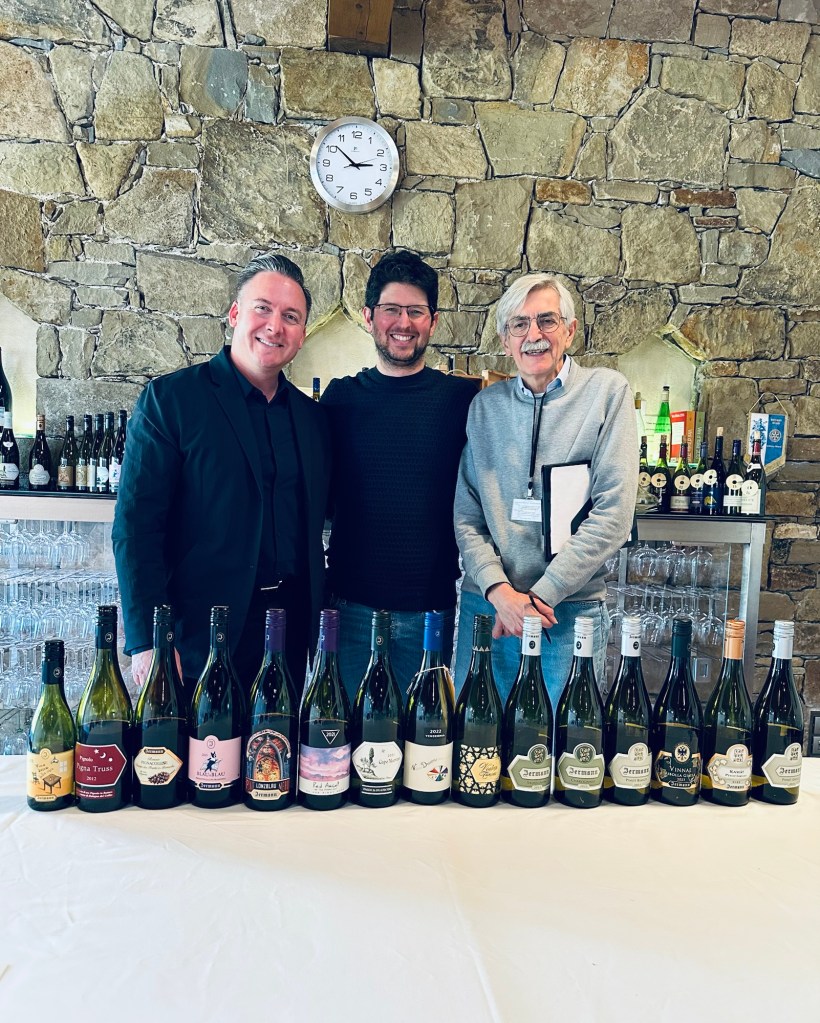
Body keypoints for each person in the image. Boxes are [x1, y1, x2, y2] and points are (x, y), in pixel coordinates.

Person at [113, 253, 331, 695]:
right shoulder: (171, 400)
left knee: (277, 742)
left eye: (291, 316)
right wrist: (148, 641)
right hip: (197, 636)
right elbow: (136, 527)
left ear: (303, 334)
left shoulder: (313, 419)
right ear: (234, 314)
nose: (275, 326)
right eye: (262, 308)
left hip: (288, 635)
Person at [453, 272, 637, 705]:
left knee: (559, 741)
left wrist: (537, 599)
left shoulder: (607, 394)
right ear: (505, 340)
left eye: (546, 321)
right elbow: (467, 517)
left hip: (566, 613)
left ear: (569, 331)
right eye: (519, 324)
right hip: (489, 610)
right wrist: (500, 594)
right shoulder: (484, 408)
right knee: (476, 738)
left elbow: (613, 515)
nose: (533, 335)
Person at [320, 251, 477, 699]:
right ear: (369, 317)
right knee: (342, 732)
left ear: (434, 321)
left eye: (416, 311)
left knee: (424, 737)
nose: (403, 323)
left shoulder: (462, 400)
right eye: (391, 309)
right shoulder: (339, 399)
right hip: (349, 609)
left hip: (429, 612)